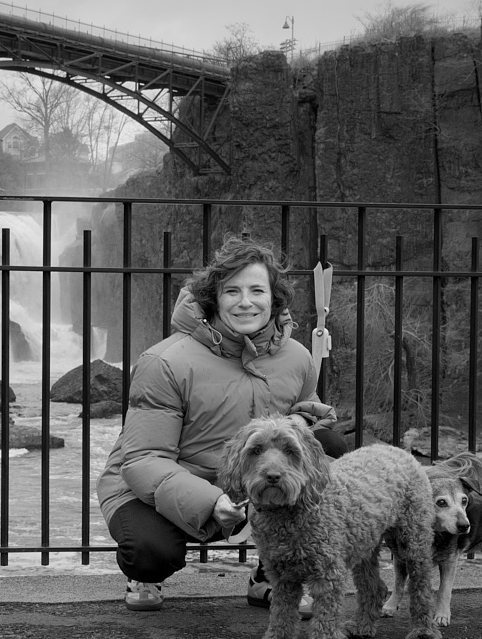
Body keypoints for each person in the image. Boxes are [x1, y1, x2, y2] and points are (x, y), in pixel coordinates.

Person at [96, 234, 348, 611]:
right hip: (160, 484)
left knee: (330, 448)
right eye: (232, 291)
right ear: (214, 297)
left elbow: (307, 416)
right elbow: (143, 459)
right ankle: (144, 575)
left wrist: (300, 419)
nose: (246, 302)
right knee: (149, 552)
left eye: (257, 290)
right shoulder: (165, 361)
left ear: (273, 298)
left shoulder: (296, 356)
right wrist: (212, 501)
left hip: (253, 478)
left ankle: (271, 575)